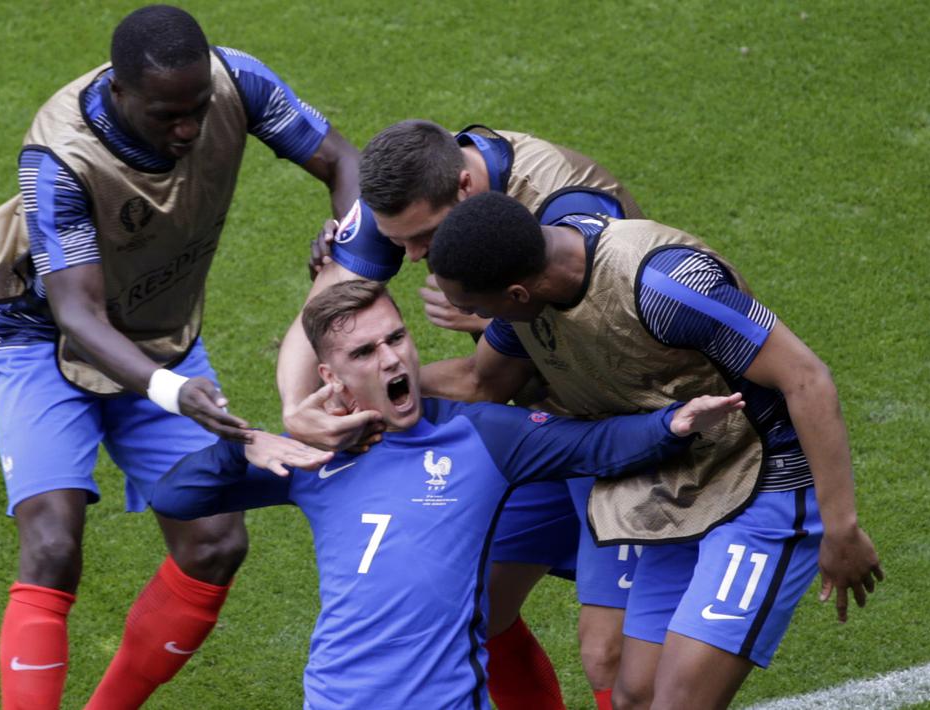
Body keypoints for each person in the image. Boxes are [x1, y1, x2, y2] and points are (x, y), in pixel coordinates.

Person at [0, 6, 359, 708]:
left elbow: (342, 160)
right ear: (120, 93)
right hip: (45, 343)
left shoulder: (235, 81)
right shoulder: (61, 156)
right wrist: (171, 391)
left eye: (197, 108)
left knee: (216, 544)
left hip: (162, 338)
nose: (189, 128)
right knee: (52, 542)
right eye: (168, 115)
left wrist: (348, 247)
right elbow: (76, 313)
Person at [152, 279, 746, 710]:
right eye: (364, 353)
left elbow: (592, 446)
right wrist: (245, 444)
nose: (391, 358)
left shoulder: (480, 436)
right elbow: (175, 496)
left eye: (396, 338)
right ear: (331, 379)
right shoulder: (312, 454)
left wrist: (671, 425)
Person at [423, 192, 885, 710]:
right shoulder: (529, 296)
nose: (470, 319)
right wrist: (370, 389)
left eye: (472, 309)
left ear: (516, 294)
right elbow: (480, 381)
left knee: (680, 702)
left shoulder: (664, 286)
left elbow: (807, 378)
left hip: (765, 485)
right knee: (635, 695)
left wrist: (841, 527)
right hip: (677, 491)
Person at [277, 119, 644, 709]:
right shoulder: (409, 194)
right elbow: (324, 306)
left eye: (422, 238)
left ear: (468, 190)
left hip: (618, 425)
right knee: (480, 609)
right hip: (537, 429)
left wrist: (369, 382)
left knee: (610, 654)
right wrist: (300, 410)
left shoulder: (565, 218)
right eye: (398, 243)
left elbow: (485, 381)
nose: (414, 256)